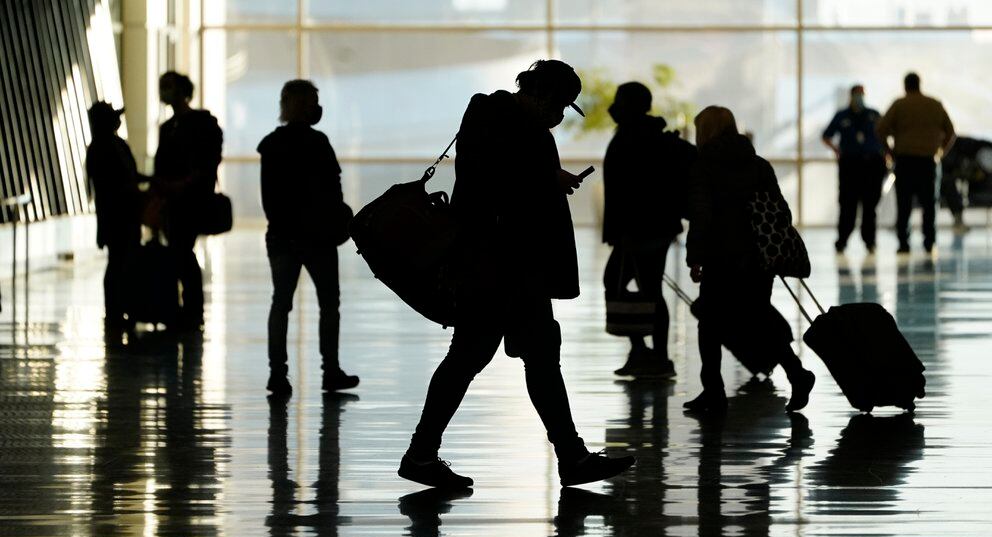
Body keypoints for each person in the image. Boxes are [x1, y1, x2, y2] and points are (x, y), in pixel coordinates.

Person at [399, 60, 635, 489]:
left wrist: (548, 176)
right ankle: (569, 457)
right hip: (504, 264)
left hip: (498, 263)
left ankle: (567, 455)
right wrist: (547, 180)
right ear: (541, 95)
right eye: (560, 105)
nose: (561, 116)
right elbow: (505, 186)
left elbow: (498, 178)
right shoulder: (507, 124)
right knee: (506, 356)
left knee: (511, 355)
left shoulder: (492, 120)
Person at [685, 106, 815, 414]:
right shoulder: (758, 164)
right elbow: (781, 211)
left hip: (721, 256)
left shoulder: (704, 165)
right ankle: (796, 374)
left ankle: (713, 391)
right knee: (758, 318)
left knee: (710, 322)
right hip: (758, 257)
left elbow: (700, 215)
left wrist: (695, 257)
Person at [258, 80, 359, 396]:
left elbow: (270, 200)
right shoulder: (319, 143)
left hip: (284, 238)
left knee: (281, 304)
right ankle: (330, 371)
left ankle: (278, 374)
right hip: (319, 239)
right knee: (329, 304)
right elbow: (334, 189)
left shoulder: (271, 146)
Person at [602, 81, 696, 377]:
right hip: (654, 228)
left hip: (642, 230)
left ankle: (652, 355)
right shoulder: (647, 134)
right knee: (648, 288)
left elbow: (634, 190)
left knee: (642, 288)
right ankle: (649, 353)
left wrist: (624, 230)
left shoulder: (636, 137)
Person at [153, 71, 223, 329]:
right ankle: (185, 309)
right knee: (179, 253)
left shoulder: (198, 124)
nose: (164, 92)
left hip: (189, 201)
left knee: (181, 252)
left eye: (168, 87)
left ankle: (190, 311)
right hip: (173, 200)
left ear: (182, 91)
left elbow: (206, 163)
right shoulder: (169, 127)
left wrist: (181, 184)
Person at [877, 72, 956, 254]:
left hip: (905, 161)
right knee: (930, 204)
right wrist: (940, 151)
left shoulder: (900, 105)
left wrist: (889, 152)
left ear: (905, 86)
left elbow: (880, 130)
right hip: (929, 162)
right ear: (920, 84)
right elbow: (951, 132)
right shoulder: (934, 104)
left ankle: (903, 244)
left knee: (904, 205)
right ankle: (930, 242)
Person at [85, 101, 144, 332]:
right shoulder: (106, 147)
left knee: (120, 261)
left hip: (120, 214)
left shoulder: (107, 145)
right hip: (117, 215)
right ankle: (116, 310)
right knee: (119, 262)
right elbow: (114, 183)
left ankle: (120, 309)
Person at [822, 84, 886, 254]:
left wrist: (886, 154)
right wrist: (837, 150)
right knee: (847, 205)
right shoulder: (842, 116)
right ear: (851, 96)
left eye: (862, 94)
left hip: (872, 165)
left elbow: (885, 135)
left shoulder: (873, 115)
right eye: (857, 95)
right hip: (850, 165)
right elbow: (826, 136)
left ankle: (870, 241)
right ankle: (842, 240)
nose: (860, 98)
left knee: (870, 206)